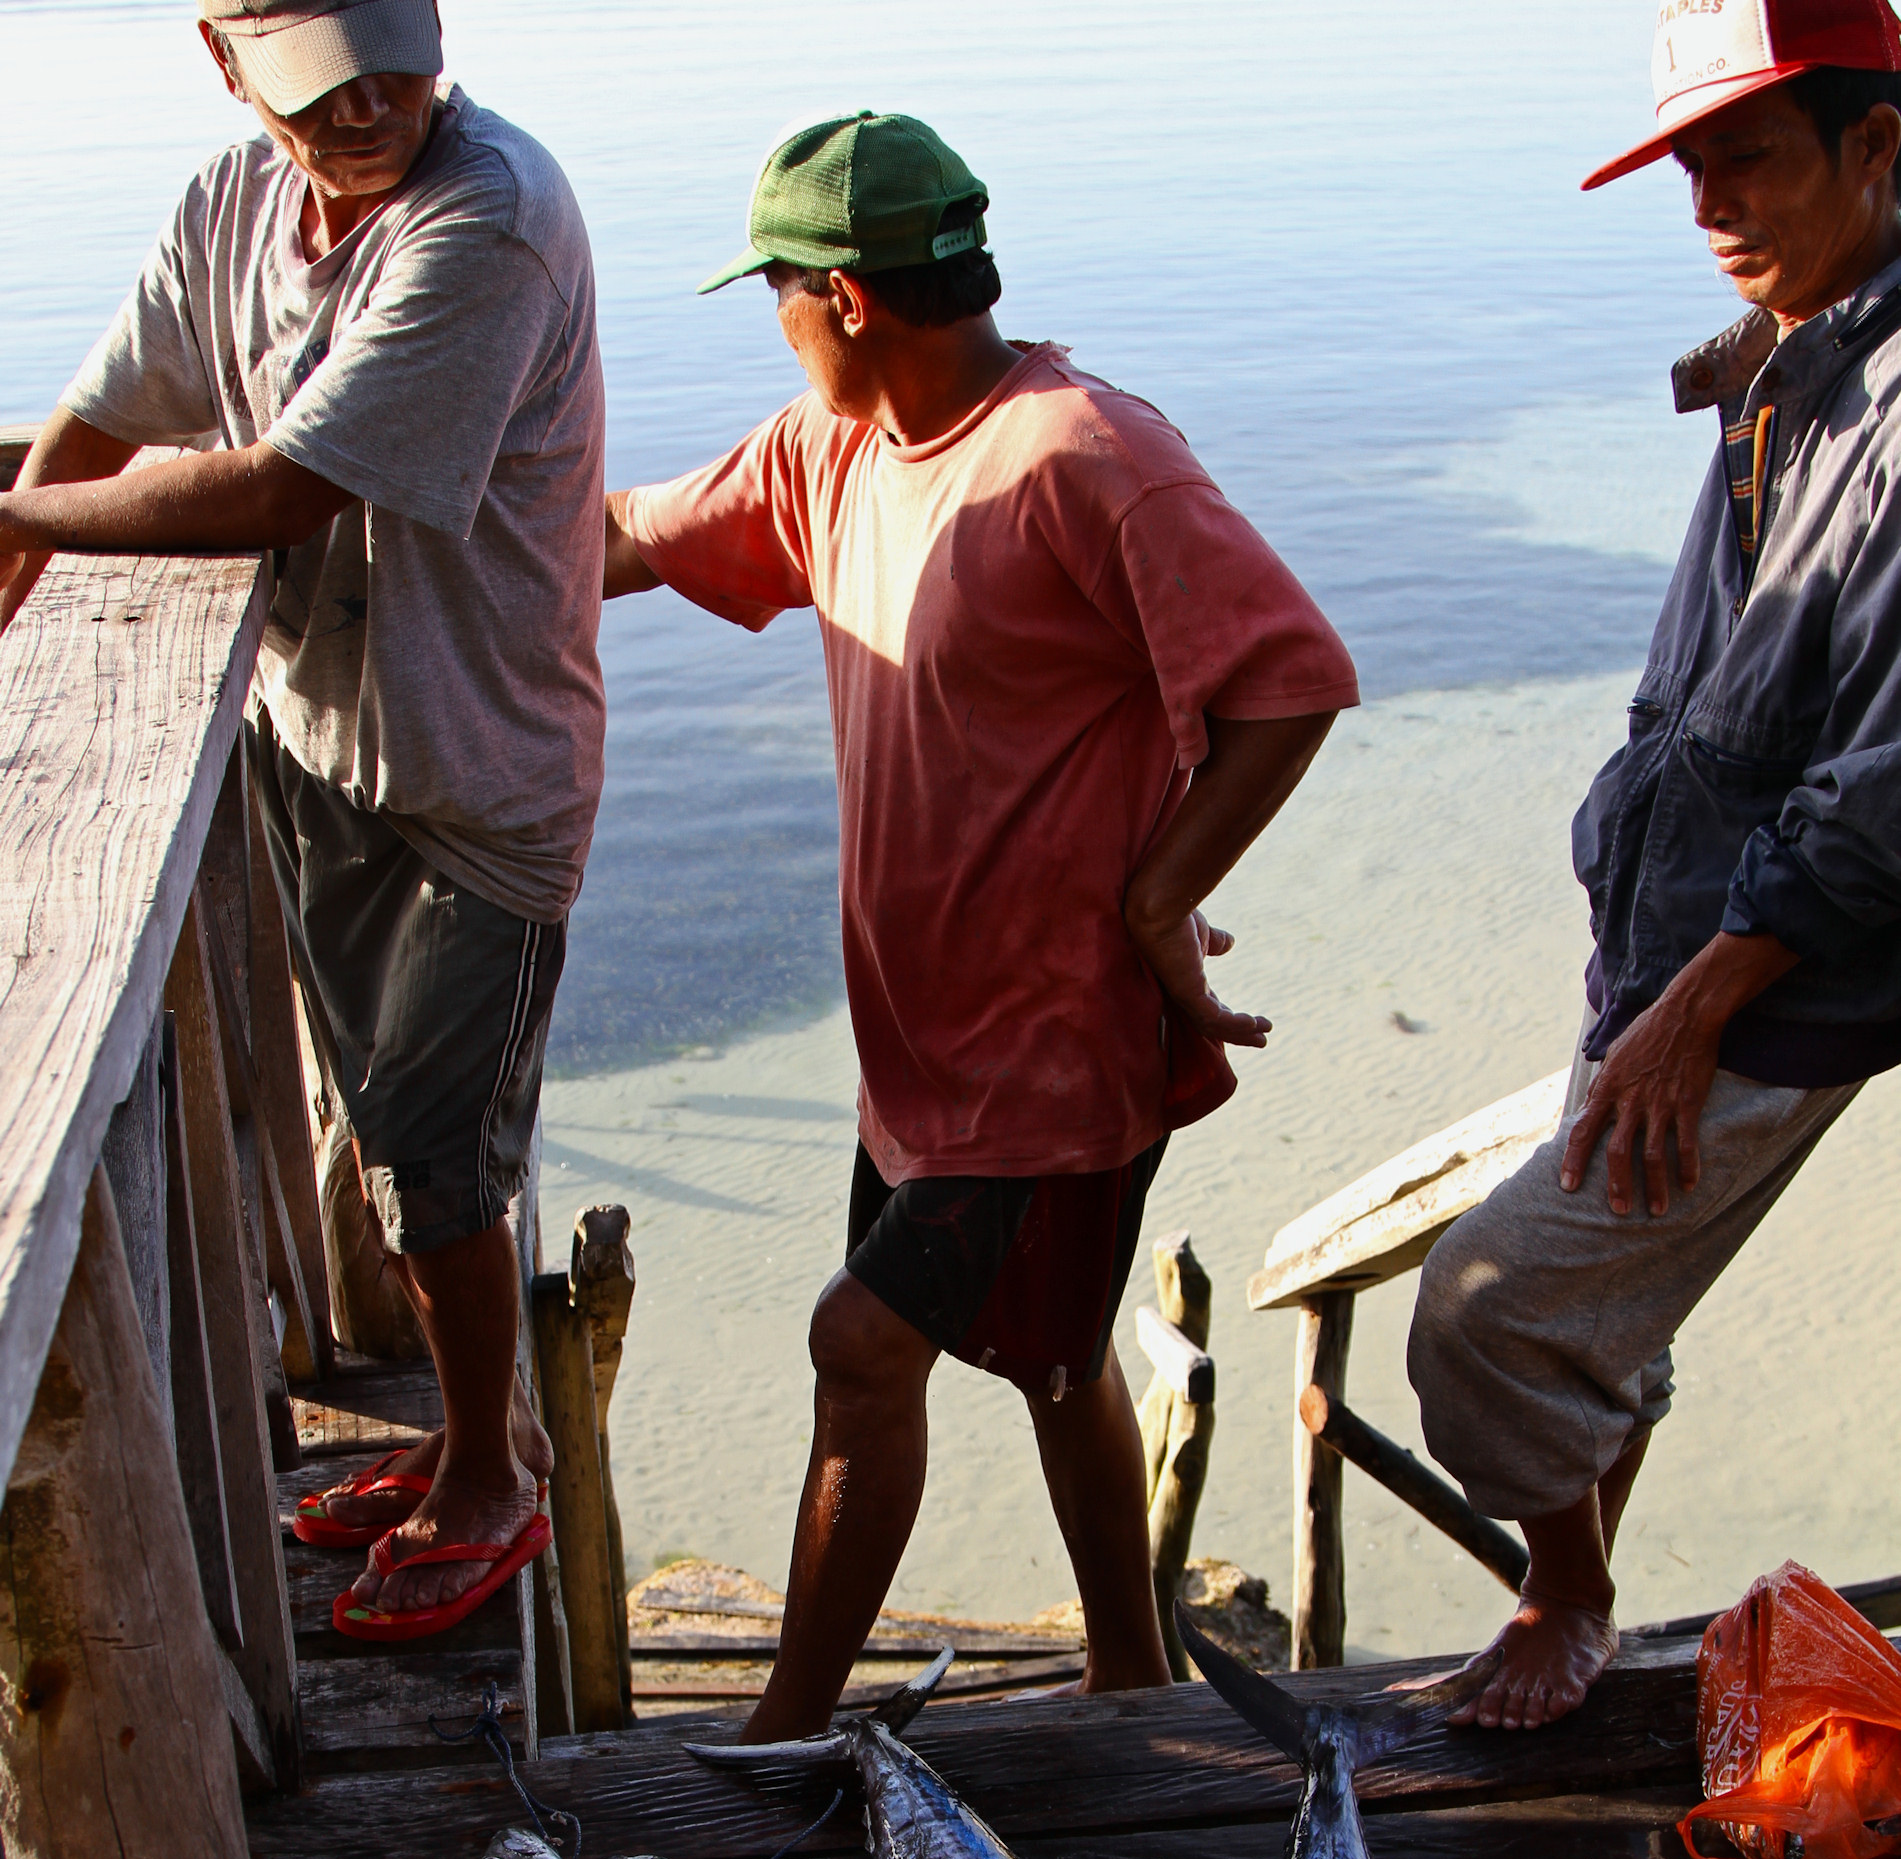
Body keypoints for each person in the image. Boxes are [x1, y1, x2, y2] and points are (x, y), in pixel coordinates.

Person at [604, 111, 1358, 1741]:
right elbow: (619, 539)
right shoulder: (832, 452)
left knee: (859, 1344)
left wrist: (1162, 889)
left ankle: (781, 1735)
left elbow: (1291, 680)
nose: (777, 323)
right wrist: (379, 538)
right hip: (920, 1043)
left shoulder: (1088, 456)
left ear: (847, 297)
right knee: (1059, 1355)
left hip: (1053, 1042)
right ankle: (1131, 1673)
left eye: (779, 294)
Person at [0, 0, 606, 1641]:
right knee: (382, 1131)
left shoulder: (491, 220)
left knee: (434, 1152)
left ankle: (491, 1481)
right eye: (325, 90)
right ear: (231, 68)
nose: (371, 109)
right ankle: (487, 1437)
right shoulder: (231, 206)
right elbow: (117, 402)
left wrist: (15, 509)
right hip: (319, 742)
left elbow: (283, 485)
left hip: (482, 779)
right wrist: (18, 563)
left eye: (395, 68)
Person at [1409, 0, 1901, 1731]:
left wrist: (1698, 1002)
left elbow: (1887, 792)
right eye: (1688, 165)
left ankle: (1572, 1590)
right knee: (1603, 1290)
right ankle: (1577, 1595)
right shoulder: (1798, 350)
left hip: (1779, 964)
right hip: (1670, 917)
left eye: (1747, 157)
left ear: (1878, 145)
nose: (1707, 202)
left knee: (1482, 1311)